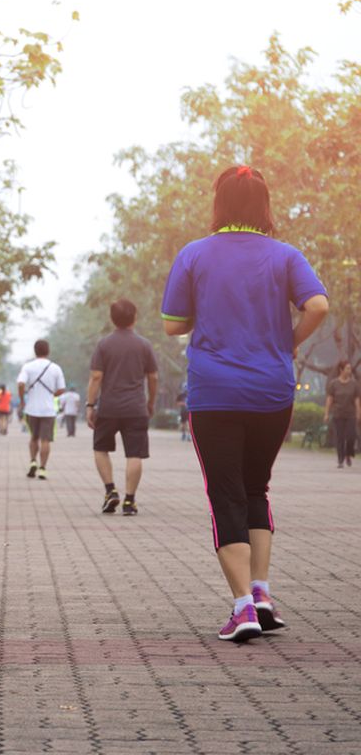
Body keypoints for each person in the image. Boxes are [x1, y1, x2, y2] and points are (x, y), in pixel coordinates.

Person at [162, 164, 328, 642]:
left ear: (219, 205)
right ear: (264, 205)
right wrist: (287, 343)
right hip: (272, 391)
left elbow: (174, 323)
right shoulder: (285, 255)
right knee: (257, 488)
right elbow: (317, 305)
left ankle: (241, 609)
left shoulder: (194, 254)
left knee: (225, 494)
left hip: (215, 394)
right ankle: (261, 593)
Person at [86, 299, 159, 516]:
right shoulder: (144, 345)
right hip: (136, 409)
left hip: (108, 408)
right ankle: (130, 500)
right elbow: (153, 377)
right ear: (134, 317)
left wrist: (90, 405)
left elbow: (96, 376)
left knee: (100, 449)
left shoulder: (104, 345)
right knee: (134, 454)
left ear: (112, 319)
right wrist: (150, 403)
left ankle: (110, 491)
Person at [17, 340, 66, 479]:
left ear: (35, 351)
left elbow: (21, 383)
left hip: (31, 408)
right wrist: (52, 395)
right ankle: (43, 468)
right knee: (46, 440)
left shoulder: (28, 367)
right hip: (48, 410)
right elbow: (62, 388)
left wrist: (22, 399)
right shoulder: (55, 368)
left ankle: (33, 461)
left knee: (33, 437)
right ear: (48, 351)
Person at [324, 361, 361, 468]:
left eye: (350, 369)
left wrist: (358, 413)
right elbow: (329, 399)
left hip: (350, 415)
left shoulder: (354, 384)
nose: (349, 371)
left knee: (351, 436)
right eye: (347, 368)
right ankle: (341, 459)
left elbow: (357, 400)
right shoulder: (334, 384)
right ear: (341, 370)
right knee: (340, 437)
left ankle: (348, 454)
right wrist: (326, 413)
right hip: (337, 414)